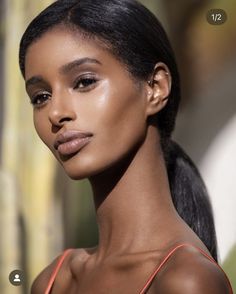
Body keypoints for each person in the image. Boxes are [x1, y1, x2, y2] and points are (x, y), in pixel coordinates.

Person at [19, 0, 233, 293]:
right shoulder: (54, 281)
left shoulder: (185, 280)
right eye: (41, 97)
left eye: (84, 82)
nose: (55, 113)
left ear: (155, 88)